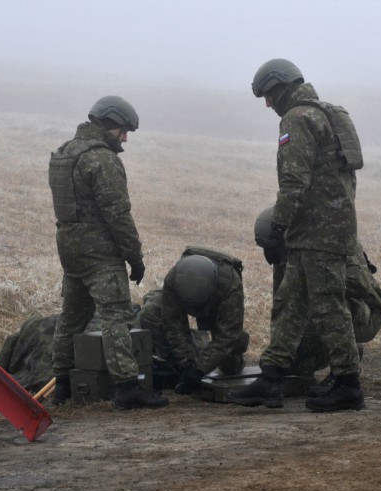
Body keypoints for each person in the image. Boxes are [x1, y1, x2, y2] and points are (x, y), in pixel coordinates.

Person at [227, 59, 365, 412]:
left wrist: (277, 227)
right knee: (290, 303)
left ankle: (348, 382)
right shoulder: (330, 114)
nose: (269, 105)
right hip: (321, 230)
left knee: (328, 307)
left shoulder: (298, 119)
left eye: (270, 96)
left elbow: (295, 181)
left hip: (318, 232)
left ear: (283, 87)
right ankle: (271, 379)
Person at [48, 95, 168, 410]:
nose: (125, 138)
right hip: (100, 253)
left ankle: (62, 386)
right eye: (124, 131)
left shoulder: (63, 153)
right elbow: (118, 214)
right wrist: (135, 257)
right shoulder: (101, 159)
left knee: (72, 317)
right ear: (109, 123)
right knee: (117, 315)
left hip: (70, 251)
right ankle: (128, 386)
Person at [253, 205, 381, 395]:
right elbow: (284, 305)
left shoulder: (334, 237)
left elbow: (361, 285)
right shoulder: (288, 251)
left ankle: (345, 365)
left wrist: (315, 275)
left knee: (324, 302)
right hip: (322, 309)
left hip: (366, 309)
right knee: (279, 362)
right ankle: (329, 356)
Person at [137, 246, 249, 394]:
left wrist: (200, 369)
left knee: (230, 367)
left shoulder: (230, 287)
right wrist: (187, 364)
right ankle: (178, 366)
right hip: (180, 299)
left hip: (215, 308)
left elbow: (227, 336)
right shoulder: (174, 279)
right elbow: (173, 326)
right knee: (151, 314)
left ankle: (206, 345)